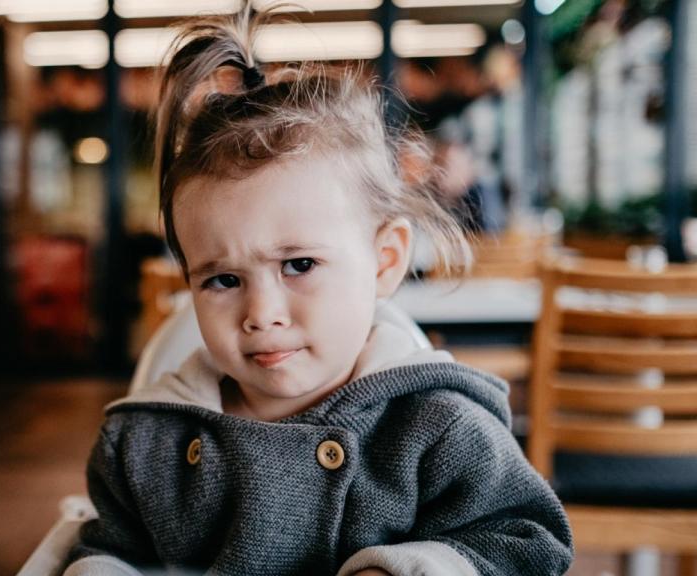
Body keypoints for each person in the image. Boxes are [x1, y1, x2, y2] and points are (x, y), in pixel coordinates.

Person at [63, 6, 573, 575]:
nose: (261, 314)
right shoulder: (142, 442)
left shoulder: (439, 427)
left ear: (385, 261)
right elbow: (103, 552)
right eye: (223, 279)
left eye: (299, 264)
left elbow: (526, 541)